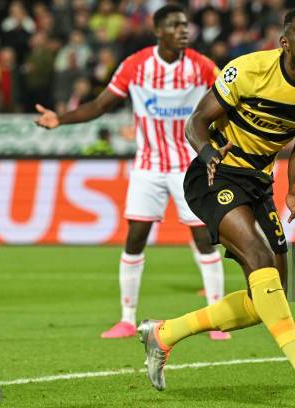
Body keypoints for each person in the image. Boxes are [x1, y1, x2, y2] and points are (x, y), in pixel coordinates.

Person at [137, 6, 295, 400]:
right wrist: (206, 153)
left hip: (258, 182)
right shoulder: (248, 71)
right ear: (286, 44)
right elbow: (196, 122)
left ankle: (164, 333)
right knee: (259, 259)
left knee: (267, 298)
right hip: (215, 173)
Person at [34, 5, 229, 341]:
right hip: (148, 166)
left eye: (185, 25)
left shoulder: (201, 66)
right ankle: (126, 319)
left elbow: (231, 97)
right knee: (135, 238)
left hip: (189, 167)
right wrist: (60, 119)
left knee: (203, 238)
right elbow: (99, 105)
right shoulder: (137, 66)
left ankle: (216, 319)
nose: (184, 30)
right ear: (158, 31)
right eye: (175, 25)